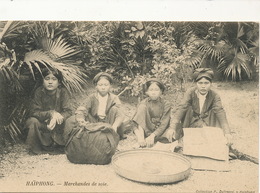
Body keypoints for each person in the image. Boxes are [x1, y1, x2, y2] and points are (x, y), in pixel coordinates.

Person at [165, 68, 232, 146]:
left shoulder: (214, 95)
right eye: (200, 83)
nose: (203, 86)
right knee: (187, 109)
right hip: (192, 120)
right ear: (196, 84)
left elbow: (220, 112)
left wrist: (227, 132)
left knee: (215, 113)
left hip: (207, 121)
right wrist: (172, 128)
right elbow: (182, 108)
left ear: (211, 84)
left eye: (206, 83)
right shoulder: (190, 92)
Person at [64, 72, 125, 140]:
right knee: (72, 119)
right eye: (100, 85)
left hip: (109, 121)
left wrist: (115, 125)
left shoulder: (114, 98)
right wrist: (81, 119)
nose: (103, 87)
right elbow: (82, 108)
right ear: (96, 86)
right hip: (94, 121)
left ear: (110, 86)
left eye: (106, 85)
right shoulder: (92, 97)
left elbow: (120, 114)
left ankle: (108, 133)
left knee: (114, 109)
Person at [25, 69, 72, 155]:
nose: (50, 82)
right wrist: (50, 113)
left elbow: (69, 111)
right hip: (44, 124)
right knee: (32, 121)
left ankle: (64, 144)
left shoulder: (63, 92)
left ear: (59, 82)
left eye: (54, 79)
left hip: (58, 124)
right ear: (42, 81)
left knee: (71, 120)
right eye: (47, 79)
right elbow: (34, 112)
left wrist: (59, 116)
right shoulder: (39, 92)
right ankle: (36, 148)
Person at [132, 78, 171, 148]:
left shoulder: (166, 104)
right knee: (142, 108)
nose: (153, 92)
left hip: (160, 130)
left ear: (161, 91)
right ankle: (143, 139)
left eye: (156, 90)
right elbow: (140, 122)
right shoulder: (144, 103)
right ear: (147, 92)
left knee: (173, 133)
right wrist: (140, 137)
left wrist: (153, 135)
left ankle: (151, 139)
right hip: (146, 129)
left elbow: (164, 124)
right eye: (151, 90)